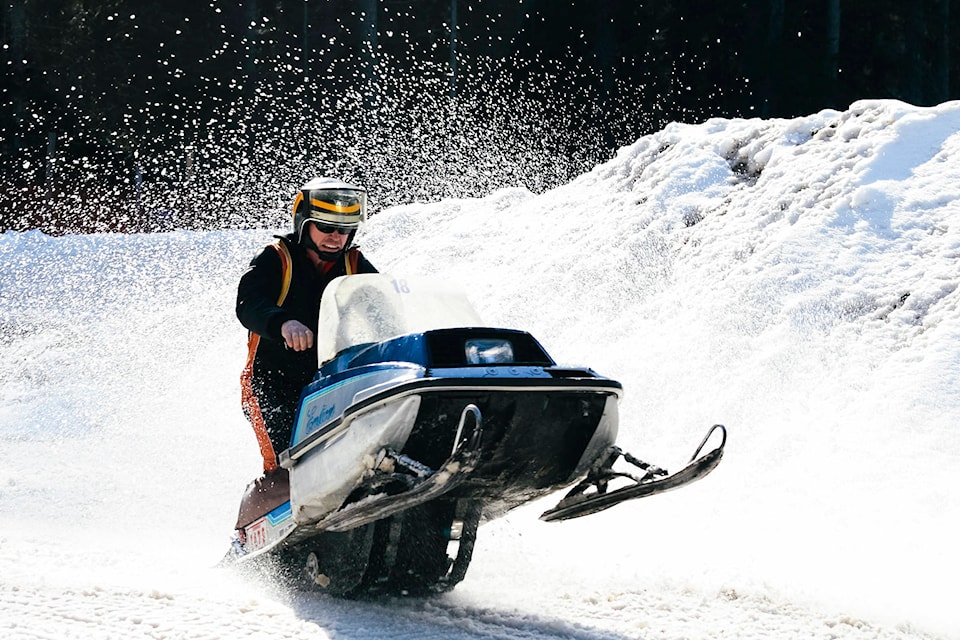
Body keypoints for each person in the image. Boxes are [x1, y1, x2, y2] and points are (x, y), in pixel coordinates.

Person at [237, 177, 378, 475]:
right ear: (304, 224)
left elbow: (382, 308)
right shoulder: (276, 258)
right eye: (325, 227)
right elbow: (248, 304)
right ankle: (280, 499)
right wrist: (283, 323)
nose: (335, 237)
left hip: (328, 380)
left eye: (343, 230)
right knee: (287, 460)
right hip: (271, 384)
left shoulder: (355, 265)